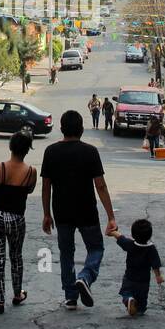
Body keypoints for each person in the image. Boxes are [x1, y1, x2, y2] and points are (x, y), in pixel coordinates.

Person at [41, 110, 116, 310]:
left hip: (61, 212)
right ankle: (85, 276)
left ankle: (71, 296)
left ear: (62, 129)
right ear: (81, 129)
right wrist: (111, 216)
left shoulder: (50, 151)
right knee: (96, 248)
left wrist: (46, 214)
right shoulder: (90, 151)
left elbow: (46, 186)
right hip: (87, 211)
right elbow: (100, 186)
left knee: (66, 252)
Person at [0, 129, 37, 313]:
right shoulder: (31, 172)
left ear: (10, 146)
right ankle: (17, 294)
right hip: (16, 220)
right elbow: (28, 191)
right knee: (16, 256)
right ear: (27, 150)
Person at [107, 218, 164, 316]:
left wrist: (112, 233)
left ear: (133, 235)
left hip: (129, 278)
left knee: (126, 292)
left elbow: (121, 238)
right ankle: (140, 309)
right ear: (150, 235)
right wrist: (158, 276)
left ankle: (129, 299)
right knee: (142, 300)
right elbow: (155, 264)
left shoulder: (130, 244)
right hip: (144, 281)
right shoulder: (151, 249)